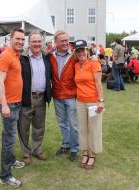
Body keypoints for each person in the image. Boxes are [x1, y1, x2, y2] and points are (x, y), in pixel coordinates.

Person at [0, 28, 25, 188]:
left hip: (16, 103)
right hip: (9, 105)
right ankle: (5, 176)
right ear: (10, 38)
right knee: (9, 140)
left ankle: (12, 160)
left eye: (22, 39)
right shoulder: (6, 55)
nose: (20, 42)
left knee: (8, 136)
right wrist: (5, 105)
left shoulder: (15, 55)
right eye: (17, 39)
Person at [18, 31, 52, 164]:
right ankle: (26, 153)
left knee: (39, 126)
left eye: (39, 41)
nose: (37, 44)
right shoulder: (22, 58)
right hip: (27, 97)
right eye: (34, 42)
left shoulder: (47, 57)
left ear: (41, 43)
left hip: (42, 97)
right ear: (29, 43)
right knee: (23, 127)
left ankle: (37, 150)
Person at [73, 40, 104, 169]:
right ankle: (84, 152)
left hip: (93, 101)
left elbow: (98, 83)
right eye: (78, 50)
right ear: (75, 52)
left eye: (82, 50)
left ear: (87, 50)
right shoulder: (75, 65)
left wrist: (101, 101)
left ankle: (92, 154)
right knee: (82, 129)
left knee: (94, 129)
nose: (80, 52)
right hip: (80, 101)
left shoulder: (94, 63)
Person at [49, 30, 79, 161]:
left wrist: (94, 58)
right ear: (56, 42)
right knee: (62, 123)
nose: (66, 43)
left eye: (67, 40)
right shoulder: (50, 56)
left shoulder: (74, 56)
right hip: (57, 95)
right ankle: (66, 145)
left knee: (73, 124)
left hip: (71, 95)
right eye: (62, 41)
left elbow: (86, 61)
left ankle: (74, 148)